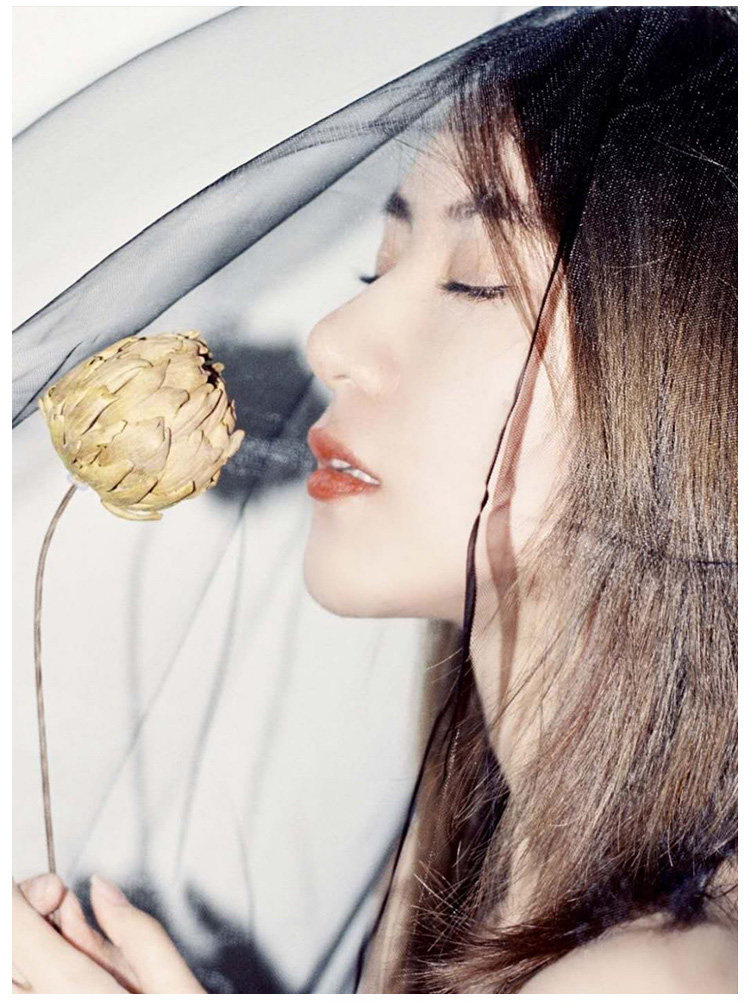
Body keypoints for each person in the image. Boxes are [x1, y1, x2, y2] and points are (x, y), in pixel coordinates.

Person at [12, 5, 737, 993]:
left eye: (475, 282)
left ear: (687, 385)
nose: (331, 341)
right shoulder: (477, 888)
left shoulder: (650, 978)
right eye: (378, 266)